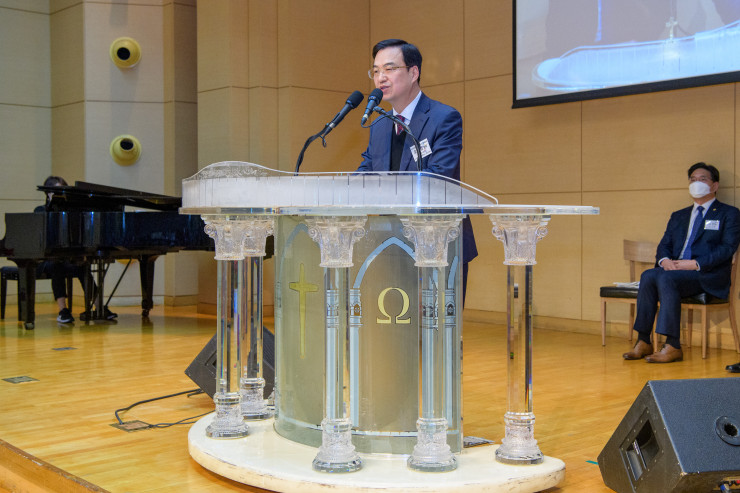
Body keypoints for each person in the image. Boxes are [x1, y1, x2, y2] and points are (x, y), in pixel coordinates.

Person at [357, 39, 477, 302]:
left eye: (389, 69)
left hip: (440, 246)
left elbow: (438, 177)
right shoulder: (379, 127)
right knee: (397, 325)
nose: (380, 78)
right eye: (375, 71)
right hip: (392, 245)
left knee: (437, 325)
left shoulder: (444, 118)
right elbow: (365, 175)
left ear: (413, 73)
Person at [623, 163, 740, 363]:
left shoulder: (728, 213)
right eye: (692, 179)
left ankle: (673, 345)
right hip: (675, 272)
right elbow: (664, 245)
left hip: (706, 275)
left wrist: (695, 264)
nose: (696, 183)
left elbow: (727, 248)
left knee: (665, 279)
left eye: (702, 179)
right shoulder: (679, 215)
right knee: (648, 275)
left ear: (714, 186)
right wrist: (665, 261)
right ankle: (643, 340)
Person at [37, 176, 117, 323]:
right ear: (48, 193)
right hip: (43, 260)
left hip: (65, 258)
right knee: (56, 265)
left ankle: (99, 307)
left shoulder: (69, 213)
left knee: (82, 267)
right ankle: (63, 311)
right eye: (58, 191)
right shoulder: (40, 211)